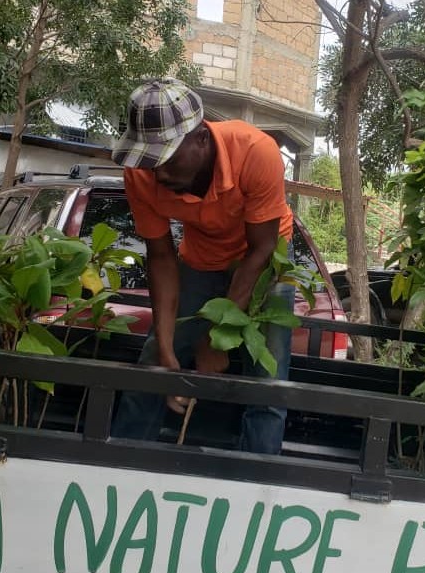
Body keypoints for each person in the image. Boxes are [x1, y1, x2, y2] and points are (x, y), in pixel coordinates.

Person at [110, 78, 294, 454]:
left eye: (166, 158)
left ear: (201, 138)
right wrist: (166, 351)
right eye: (149, 158)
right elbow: (160, 255)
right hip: (201, 255)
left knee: (268, 378)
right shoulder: (140, 173)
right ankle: (123, 462)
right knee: (152, 367)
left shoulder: (256, 151)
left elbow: (260, 251)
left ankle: (258, 480)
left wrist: (215, 339)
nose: (158, 173)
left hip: (265, 257)